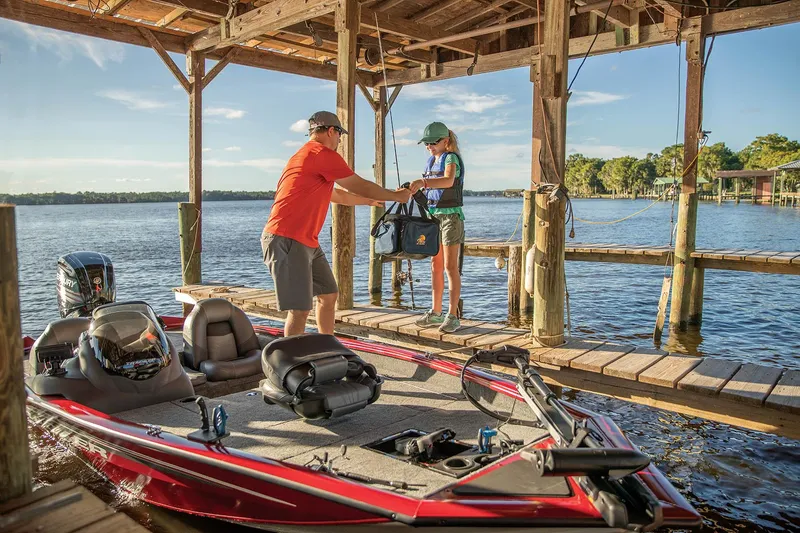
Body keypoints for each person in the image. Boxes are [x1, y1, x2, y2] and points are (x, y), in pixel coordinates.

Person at [262, 111, 412, 337]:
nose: (340, 140)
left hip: (306, 241)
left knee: (329, 294)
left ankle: (327, 345)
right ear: (331, 131)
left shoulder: (305, 156)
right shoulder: (320, 153)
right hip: (286, 238)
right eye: (340, 134)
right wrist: (396, 196)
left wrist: (368, 201)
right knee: (300, 309)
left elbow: (338, 195)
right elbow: (357, 184)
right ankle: (291, 362)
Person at [408, 122, 465, 333]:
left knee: (451, 267)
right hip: (434, 217)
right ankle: (436, 311)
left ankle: (453, 315)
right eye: (426, 143)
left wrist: (422, 182)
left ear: (445, 141)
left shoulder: (451, 158)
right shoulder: (432, 160)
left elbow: (449, 181)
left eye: (433, 143)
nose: (429, 147)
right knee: (435, 265)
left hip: (451, 217)